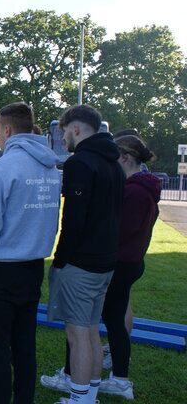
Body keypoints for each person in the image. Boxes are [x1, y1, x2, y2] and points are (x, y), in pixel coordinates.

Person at [41, 135, 160, 401]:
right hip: (127, 261)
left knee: (86, 326)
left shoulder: (134, 191)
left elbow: (117, 229)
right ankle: (107, 379)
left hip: (118, 261)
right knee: (100, 323)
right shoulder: (141, 188)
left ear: (126, 158)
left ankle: (93, 379)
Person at [0, 102, 61, 404]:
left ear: (6, 129)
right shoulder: (51, 168)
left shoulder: (0, 168)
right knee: (24, 346)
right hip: (32, 268)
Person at [45, 104, 125, 404]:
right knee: (91, 330)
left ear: (76, 129)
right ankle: (88, 394)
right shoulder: (114, 164)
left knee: (78, 334)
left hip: (82, 263)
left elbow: (74, 220)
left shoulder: (81, 162)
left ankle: (80, 399)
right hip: (105, 260)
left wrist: (61, 259)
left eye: (64, 131)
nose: (63, 137)